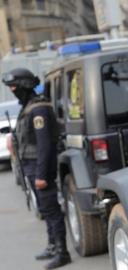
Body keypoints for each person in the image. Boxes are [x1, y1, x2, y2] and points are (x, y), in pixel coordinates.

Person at [2, 68, 71, 269]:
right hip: (31, 168)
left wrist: (41, 175)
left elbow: (44, 145)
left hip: (40, 169)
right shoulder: (29, 107)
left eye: (14, 86)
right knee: (45, 209)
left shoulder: (38, 109)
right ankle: (52, 245)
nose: (12, 90)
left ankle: (62, 252)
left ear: (24, 85)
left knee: (52, 210)